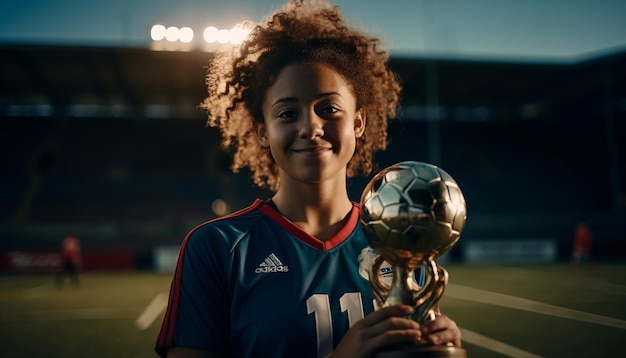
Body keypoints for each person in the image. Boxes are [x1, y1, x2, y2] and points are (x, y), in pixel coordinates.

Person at [155, 1, 461, 357]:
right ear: (262, 132)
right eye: (287, 113)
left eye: (329, 108)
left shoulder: (399, 239)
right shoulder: (217, 247)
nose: (310, 127)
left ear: (358, 122)